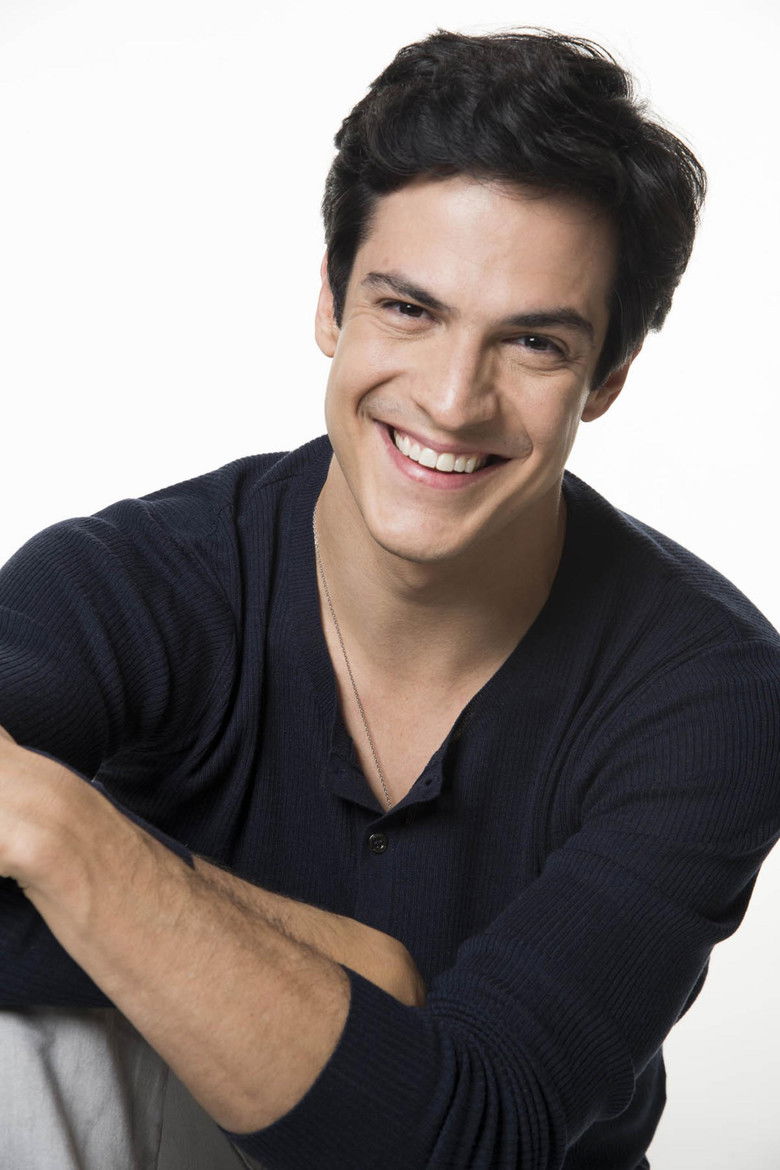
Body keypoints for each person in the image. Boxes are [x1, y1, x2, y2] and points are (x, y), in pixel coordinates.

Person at [1, 27, 778, 1170]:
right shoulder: (133, 582)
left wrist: (65, 836)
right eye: (409, 309)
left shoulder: (710, 693)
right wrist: (353, 961)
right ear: (331, 302)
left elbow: (472, 1140)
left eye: (534, 342)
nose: (453, 401)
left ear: (607, 378)